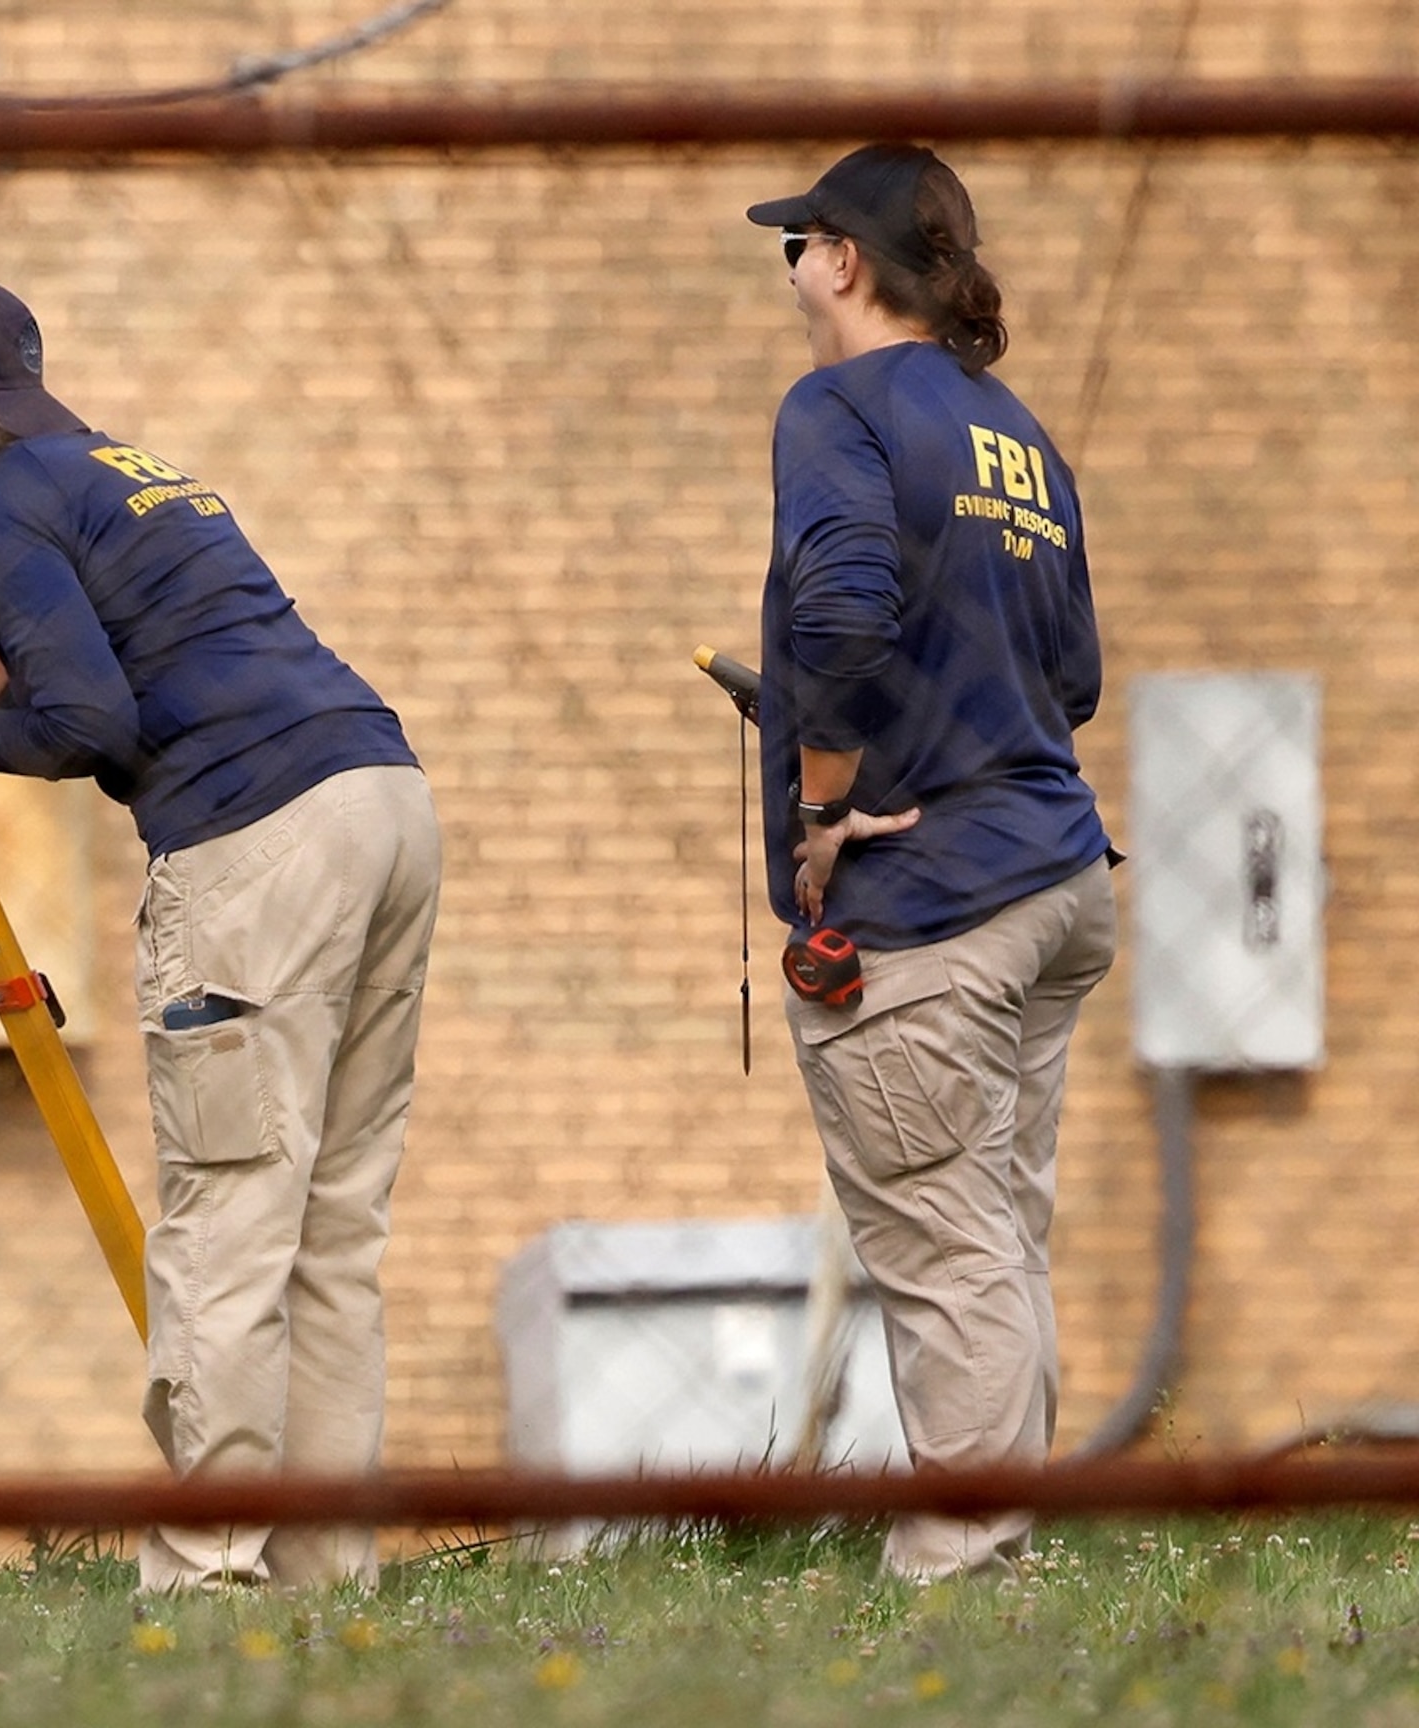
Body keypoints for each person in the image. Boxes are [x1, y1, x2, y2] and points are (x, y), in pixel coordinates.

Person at [0, 274, 440, 1592]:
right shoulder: (104, 472)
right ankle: (321, 1582)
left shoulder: (10, 511)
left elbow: (81, 724)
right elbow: (18, 654)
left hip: (258, 841)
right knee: (329, 1232)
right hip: (383, 803)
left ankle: (207, 1584)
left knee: (229, 1224)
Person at [745, 145, 1118, 1583]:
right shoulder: (1018, 434)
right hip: (1053, 881)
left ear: (843, 260)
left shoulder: (834, 406)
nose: (787, 269)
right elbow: (1068, 674)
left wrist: (824, 797)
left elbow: (842, 608)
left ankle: (966, 1575)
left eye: (798, 243)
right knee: (998, 1237)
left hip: (934, 910)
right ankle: (1007, 1551)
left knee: (949, 1251)